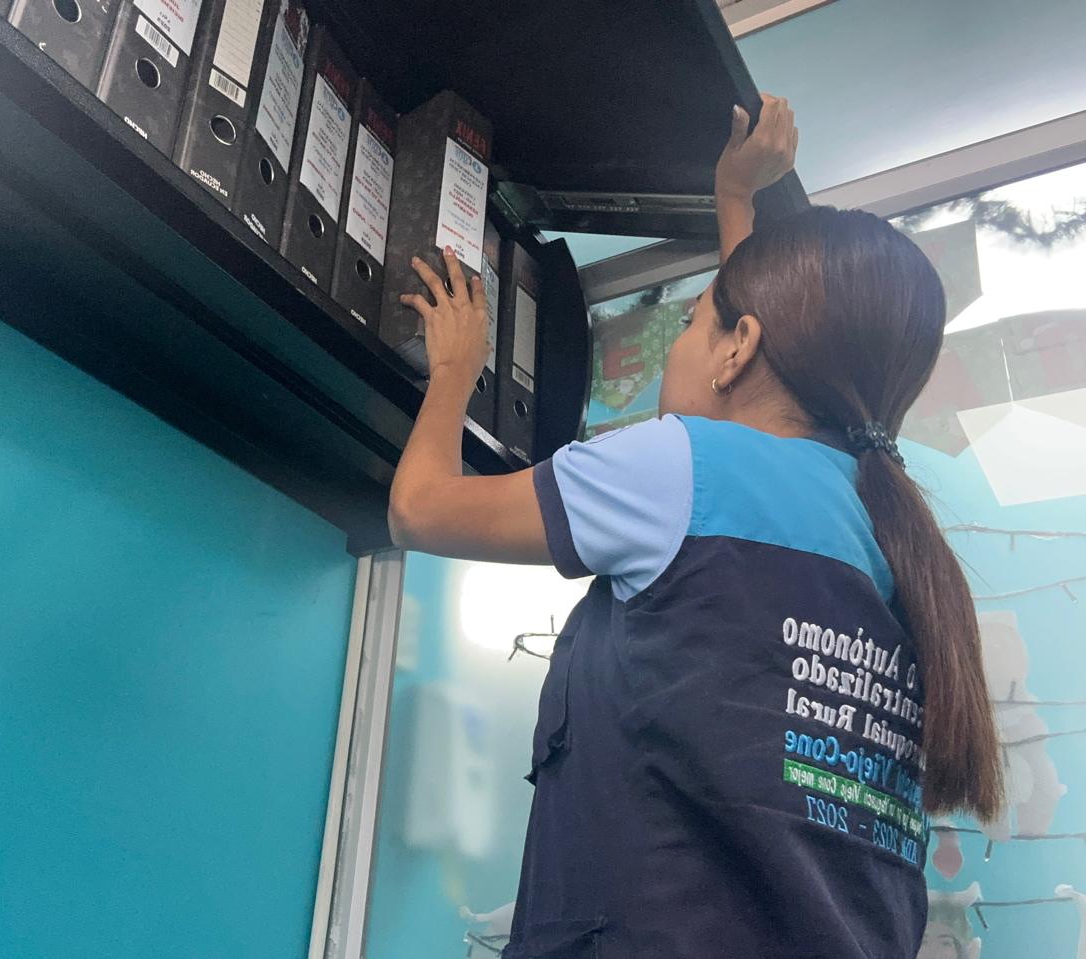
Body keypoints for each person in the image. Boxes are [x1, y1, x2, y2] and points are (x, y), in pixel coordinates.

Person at [388, 95, 1003, 958]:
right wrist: (734, 199)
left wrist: (455, 367)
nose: (682, 340)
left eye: (689, 321)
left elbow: (417, 508)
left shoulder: (677, 468)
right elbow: (758, 380)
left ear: (738, 348)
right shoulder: (897, 543)